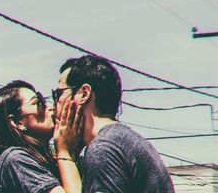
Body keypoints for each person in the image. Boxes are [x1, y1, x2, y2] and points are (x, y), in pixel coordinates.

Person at [54, 55, 175, 192]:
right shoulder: (123, 141)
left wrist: (65, 154)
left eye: (58, 94)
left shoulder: (104, 149)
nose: (53, 106)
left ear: (84, 94)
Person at [0, 80, 84, 193]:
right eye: (38, 103)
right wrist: (65, 153)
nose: (49, 107)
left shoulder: (47, 160)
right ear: (17, 122)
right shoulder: (16, 159)